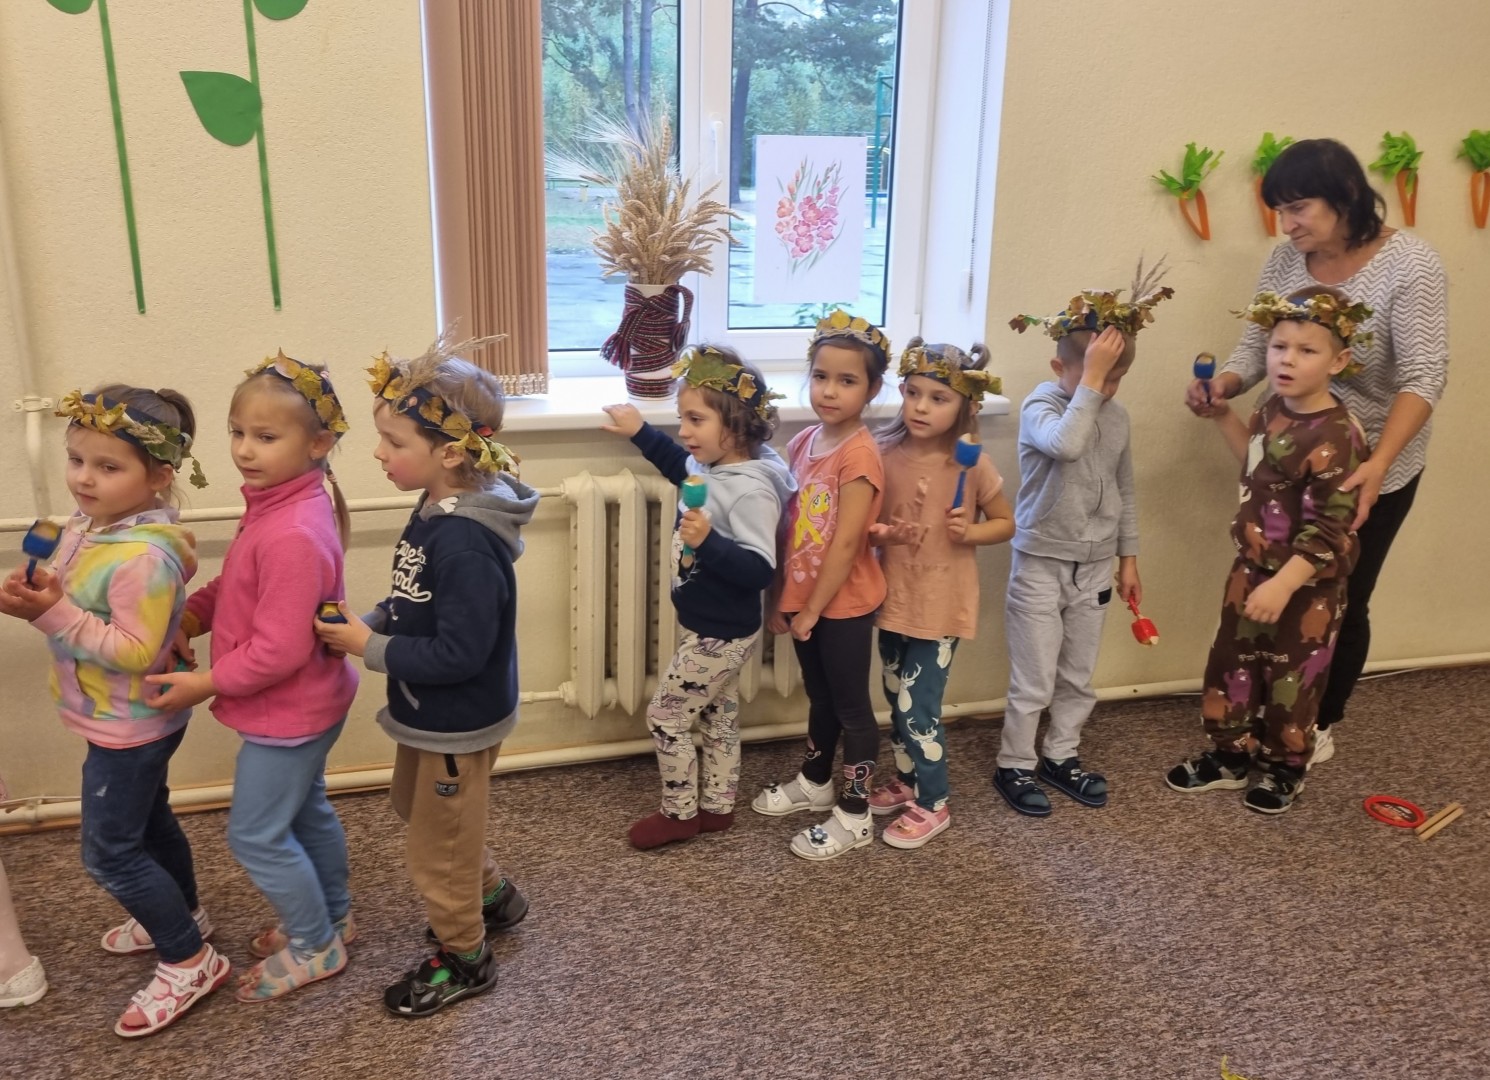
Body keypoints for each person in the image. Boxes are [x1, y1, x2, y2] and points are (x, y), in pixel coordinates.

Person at [1185, 138, 1449, 765]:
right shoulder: (1285, 261)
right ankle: (1257, 715)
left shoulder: (1410, 264)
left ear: (1346, 196)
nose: (1288, 224)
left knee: (1336, 596)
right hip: (1284, 458)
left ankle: (1317, 720)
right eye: (1280, 210)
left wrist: (1378, 464)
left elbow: (1424, 376)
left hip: (1368, 460)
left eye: (1299, 207)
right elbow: (1257, 347)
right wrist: (1225, 387)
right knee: (1266, 587)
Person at [316, 329, 539, 1018]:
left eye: (393, 442)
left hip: (455, 717)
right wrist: (374, 621)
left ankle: (466, 955)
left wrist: (367, 647)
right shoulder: (435, 507)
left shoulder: (467, 541)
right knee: (422, 811)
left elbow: (460, 654)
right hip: (427, 711)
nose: (378, 453)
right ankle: (493, 895)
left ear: (449, 452)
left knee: (437, 849)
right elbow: (414, 595)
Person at [0, 386, 225, 1035]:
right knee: (150, 821)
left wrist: (51, 613)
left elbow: (133, 651)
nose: (83, 478)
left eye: (107, 466)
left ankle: (190, 958)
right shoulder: (89, 526)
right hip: (118, 714)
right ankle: (186, 913)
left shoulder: (143, 557)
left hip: (129, 723)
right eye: (76, 460)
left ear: (159, 476)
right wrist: (46, 586)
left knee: (108, 853)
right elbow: (79, 587)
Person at [147, 353, 358, 1003]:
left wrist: (204, 683)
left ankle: (316, 944)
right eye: (237, 432)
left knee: (257, 834)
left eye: (265, 437)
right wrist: (192, 617)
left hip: (289, 713)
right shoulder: (276, 505)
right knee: (306, 810)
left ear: (318, 444)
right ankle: (334, 916)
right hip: (309, 703)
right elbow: (239, 584)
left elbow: (278, 650)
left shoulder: (291, 529)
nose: (244, 449)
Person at [1168, 289, 1371, 813]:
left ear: (1339, 361)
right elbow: (1255, 462)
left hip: (1306, 586)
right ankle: (1230, 754)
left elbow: (1333, 528)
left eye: (1307, 350)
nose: (1287, 360)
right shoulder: (1270, 409)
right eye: (1279, 347)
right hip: (1252, 569)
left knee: (1291, 680)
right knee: (1232, 663)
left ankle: (1285, 766)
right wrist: (1223, 416)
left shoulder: (1340, 435)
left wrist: (1284, 584)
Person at [600, 346, 795, 850]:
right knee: (718, 716)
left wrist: (708, 541)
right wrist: (640, 431)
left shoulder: (750, 490)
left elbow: (759, 570)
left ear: (737, 425)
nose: (684, 430)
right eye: (681, 417)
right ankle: (717, 807)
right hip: (709, 623)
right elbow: (679, 465)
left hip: (721, 632)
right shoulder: (714, 467)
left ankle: (679, 813)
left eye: (696, 419)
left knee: (666, 716)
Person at [998, 266, 1173, 816]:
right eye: (1099, 376)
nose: (1108, 390)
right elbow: (1067, 445)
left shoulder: (1117, 418)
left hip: (1094, 567)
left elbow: (1125, 488)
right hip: (1041, 564)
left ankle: (1061, 754)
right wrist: (1091, 383)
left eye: (1117, 379)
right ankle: (1014, 763)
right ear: (1060, 368)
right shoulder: (1040, 407)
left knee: (1077, 675)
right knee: (1033, 679)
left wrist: (1129, 558)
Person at [751, 309, 889, 861]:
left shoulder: (859, 455)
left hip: (844, 605)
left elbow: (847, 543)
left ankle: (856, 813)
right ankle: (815, 781)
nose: (830, 391)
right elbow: (790, 530)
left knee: (852, 708)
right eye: (821, 376)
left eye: (847, 380)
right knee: (821, 696)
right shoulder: (805, 441)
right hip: (806, 599)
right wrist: (781, 597)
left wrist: (813, 609)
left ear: (872, 389)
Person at [868, 339, 1014, 849]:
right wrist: (881, 534)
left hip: (942, 606)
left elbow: (1005, 523)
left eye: (938, 398)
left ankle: (934, 801)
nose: (921, 407)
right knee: (895, 700)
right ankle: (907, 780)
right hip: (893, 600)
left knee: (917, 708)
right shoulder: (883, 454)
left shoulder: (972, 465)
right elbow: (867, 522)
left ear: (964, 407)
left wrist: (969, 532)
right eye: (912, 393)